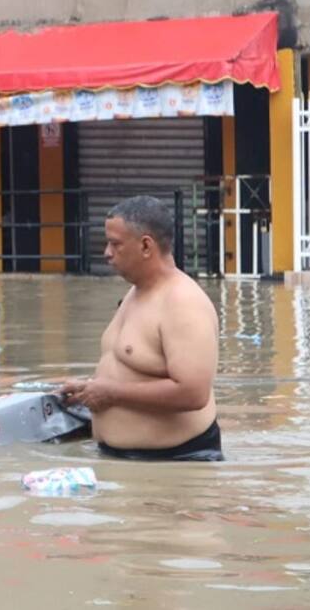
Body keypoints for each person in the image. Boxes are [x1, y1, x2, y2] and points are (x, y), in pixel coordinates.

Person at [60, 195, 223, 461]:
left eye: (115, 244)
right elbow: (128, 369)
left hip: (175, 469)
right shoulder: (133, 295)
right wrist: (87, 390)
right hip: (121, 466)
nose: (107, 253)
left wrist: (110, 393)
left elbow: (193, 393)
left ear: (146, 246)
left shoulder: (182, 302)